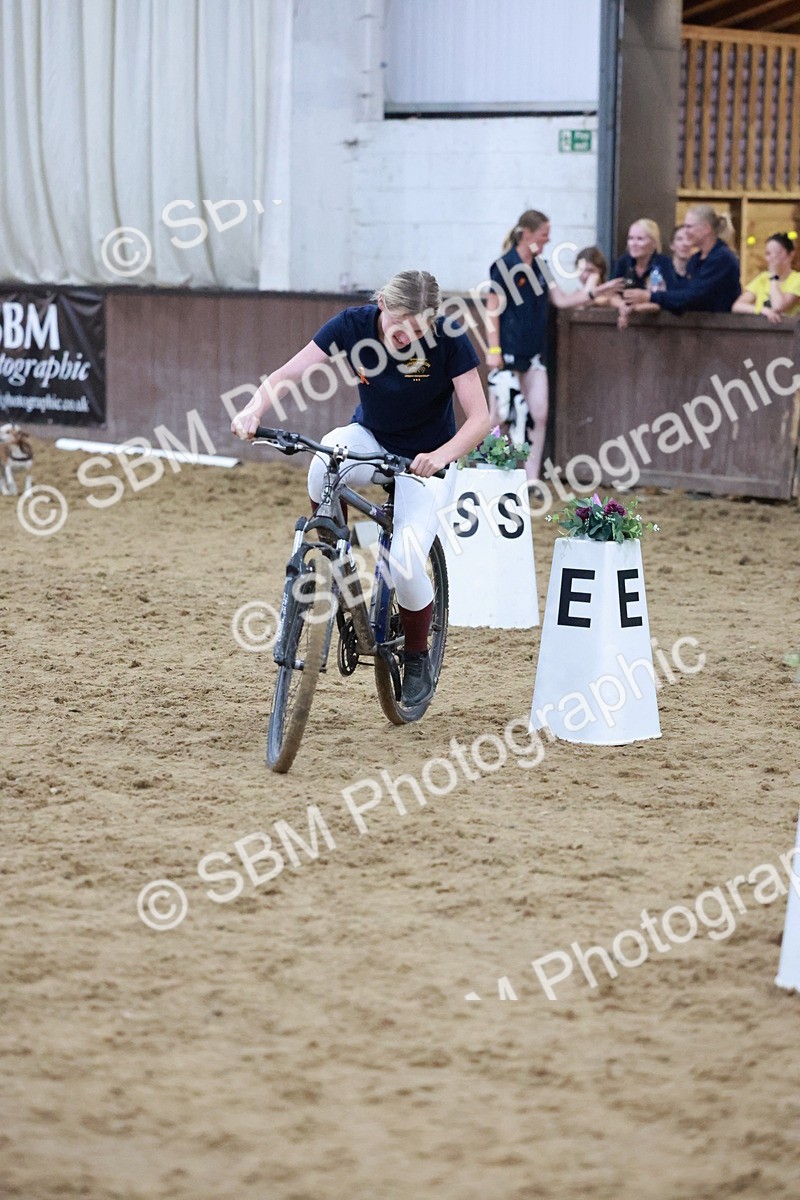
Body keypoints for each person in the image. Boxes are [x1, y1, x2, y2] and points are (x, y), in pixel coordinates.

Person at [231, 269, 490, 709]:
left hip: (425, 462)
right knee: (323, 460)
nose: (406, 336)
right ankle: (336, 554)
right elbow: (286, 375)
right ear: (382, 306)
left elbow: (480, 418)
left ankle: (416, 655)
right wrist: (253, 411)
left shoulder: (450, 338)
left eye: (418, 329)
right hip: (371, 439)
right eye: (398, 326)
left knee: (406, 560)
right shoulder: (352, 325)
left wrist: (442, 455)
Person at [484, 210, 621, 481]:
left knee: (539, 413)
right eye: (543, 234)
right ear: (527, 234)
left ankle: (531, 477)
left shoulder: (542, 265)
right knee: (499, 415)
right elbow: (492, 310)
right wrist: (494, 349)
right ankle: (486, 471)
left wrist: (595, 292)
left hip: (535, 354)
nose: (547, 240)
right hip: (508, 352)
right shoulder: (503, 266)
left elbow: (560, 300)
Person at [648, 204, 741, 315]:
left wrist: (651, 296)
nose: (686, 231)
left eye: (689, 227)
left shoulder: (722, 259)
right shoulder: (695, 259)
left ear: (706, 229)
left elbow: (694, 297)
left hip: (720, 327)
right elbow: (683, 291)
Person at [612, 219, 674, 330]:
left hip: (659, 327)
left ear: (654, 242)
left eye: (640, 239)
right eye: (631, 238)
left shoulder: (664, 263)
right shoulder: (623, 262)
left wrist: (635, 308)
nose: (634, 244)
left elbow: (666, 299)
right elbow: (612, 293)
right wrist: (622, 306)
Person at [732, 232, 800, 324]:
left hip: (787, 333)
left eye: (777, 253)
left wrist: (773, 276)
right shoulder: (762, 278)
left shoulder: (797, 279)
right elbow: (737, 306)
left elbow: (778, 307)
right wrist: (762, 310)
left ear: (790, 255)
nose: (771, 258)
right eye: (768, 254)